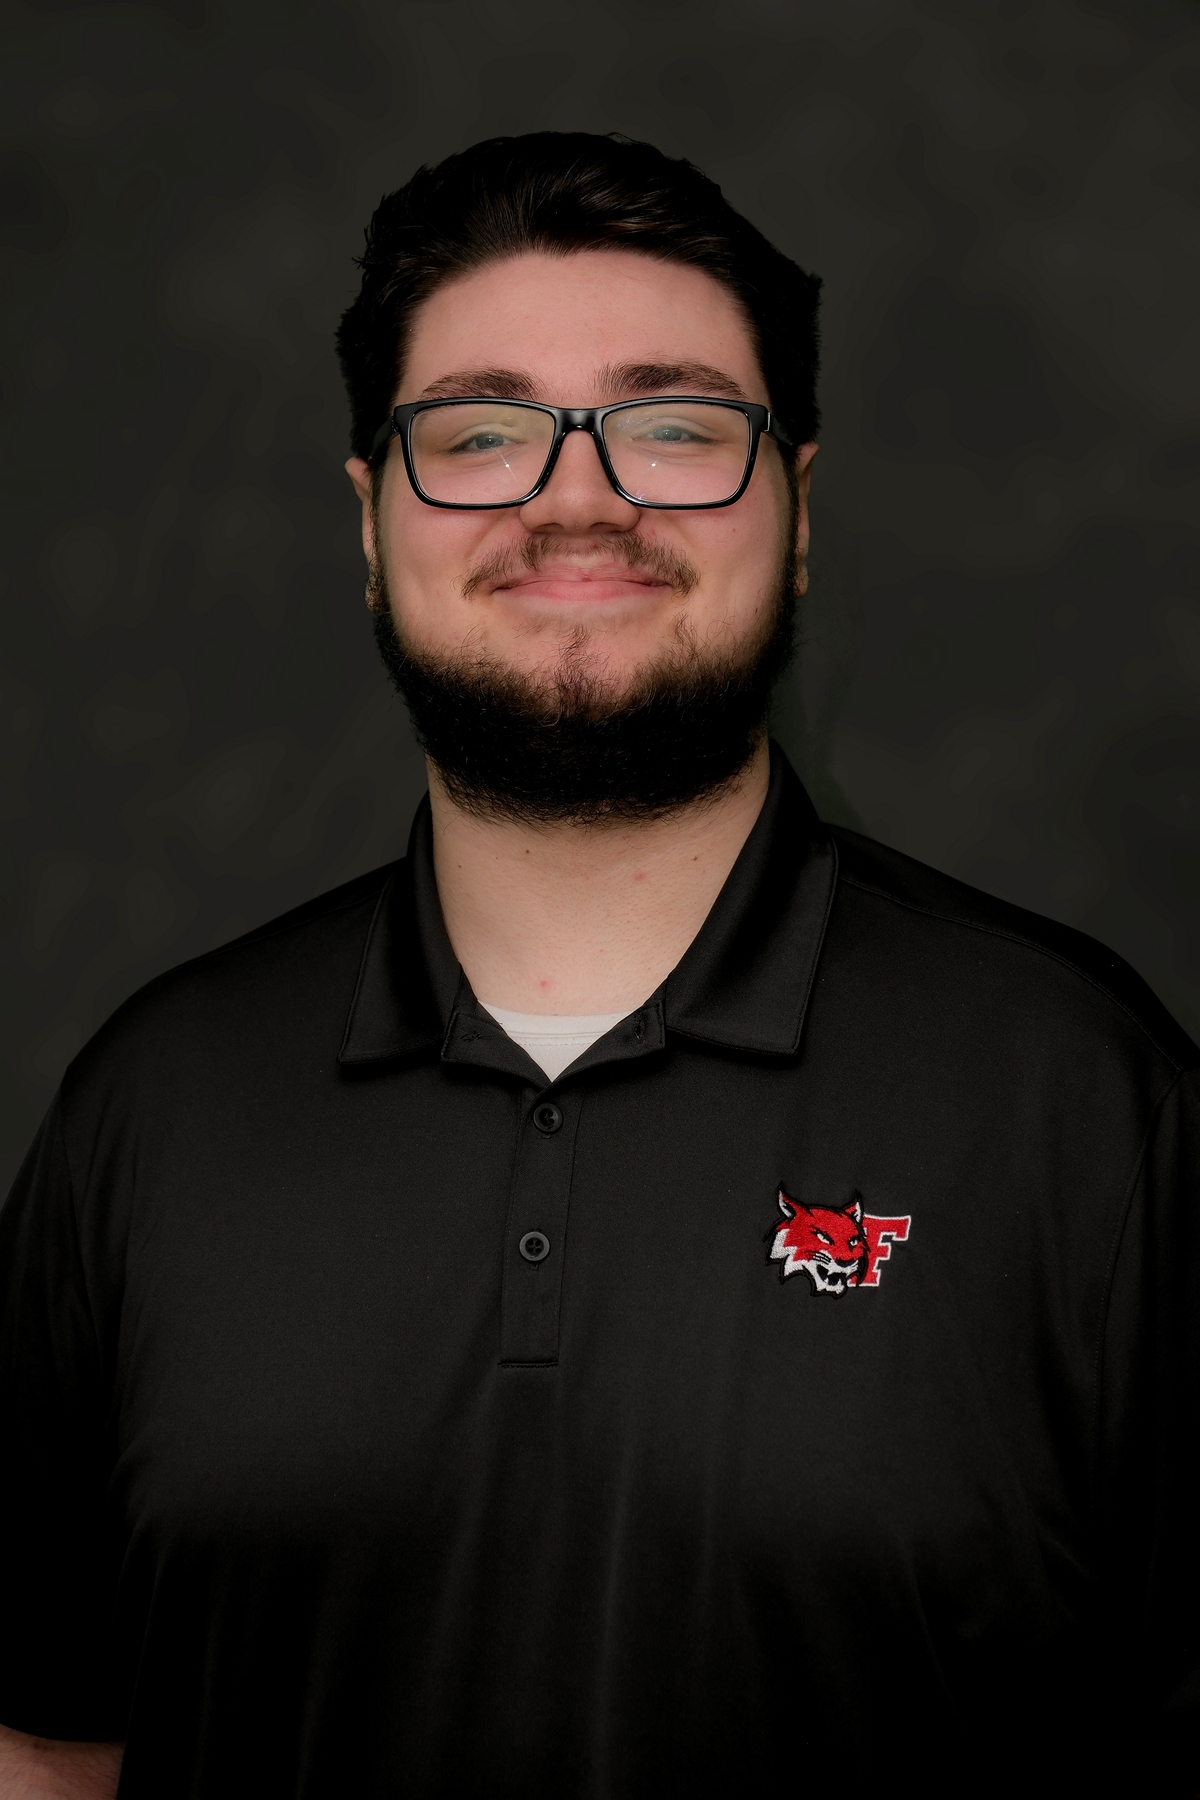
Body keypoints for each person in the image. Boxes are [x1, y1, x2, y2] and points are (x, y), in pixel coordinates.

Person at [0, 132, 1196, 1800]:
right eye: (480, 433)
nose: (576, 498)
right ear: (372, 523)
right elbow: (49, 1750)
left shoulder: (1085, 1101)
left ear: (798, 513)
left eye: (677, 428)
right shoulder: (152, 1108)